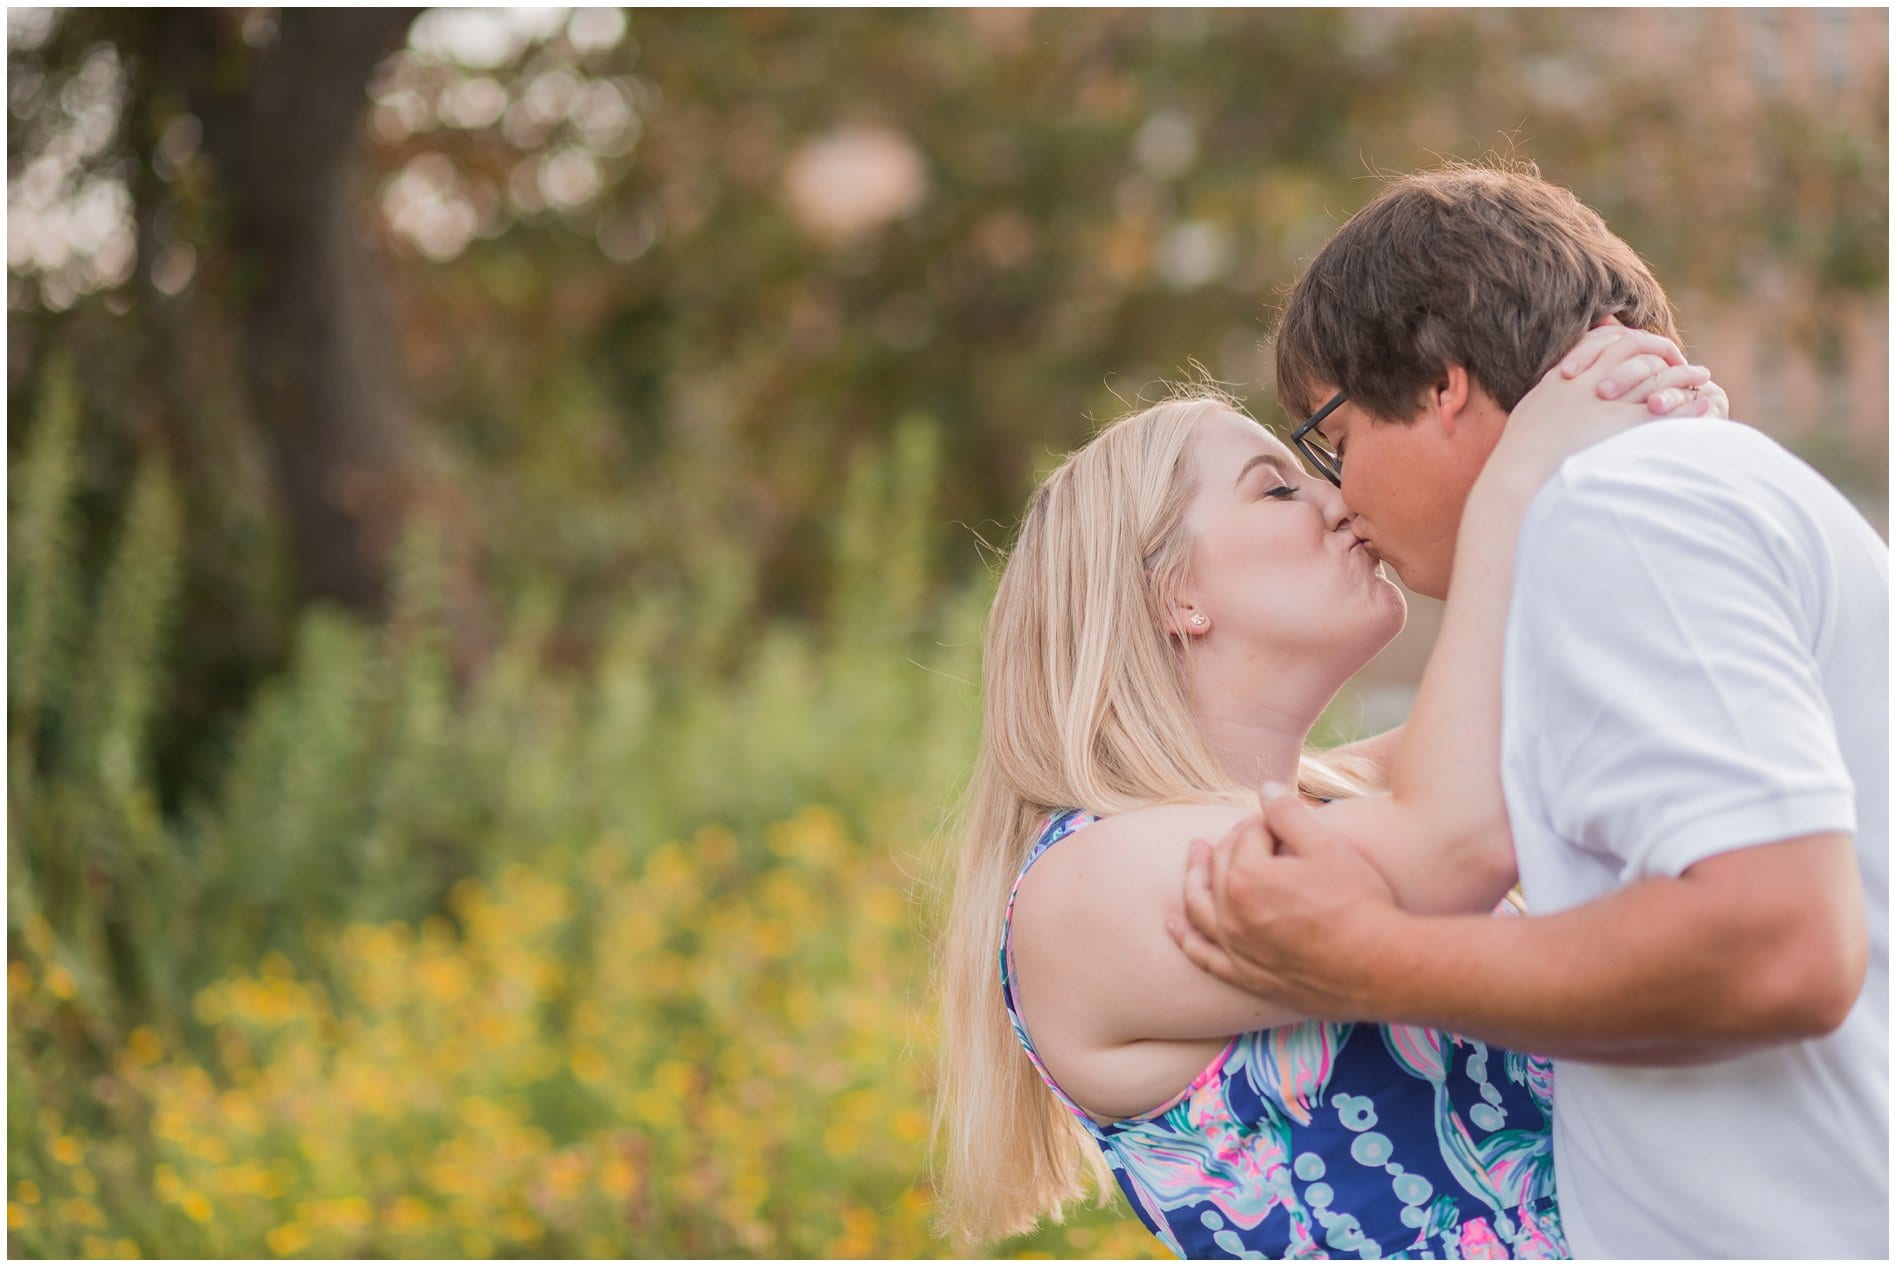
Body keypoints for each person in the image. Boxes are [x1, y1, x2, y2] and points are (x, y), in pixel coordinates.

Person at [1171, 163, 1889, 1258]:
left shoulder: (1620, 510)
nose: (1341, 498)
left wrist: (1364, 958)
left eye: (1330, 438)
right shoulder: (1675, 494)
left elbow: (1778, 944)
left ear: (1441, 384)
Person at [931, 317, 1718, 1255]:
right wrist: (1513, 481)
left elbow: (1568, 692)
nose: (1341, 497)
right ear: (1172, 593)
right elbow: (1447, 847)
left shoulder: (1359, 798)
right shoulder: (1085, 882)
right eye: (1277, 486)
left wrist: (1652, 470)